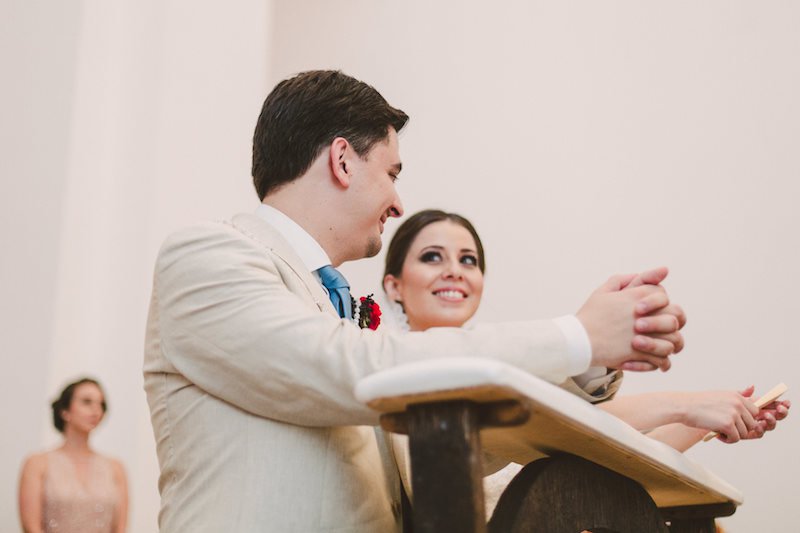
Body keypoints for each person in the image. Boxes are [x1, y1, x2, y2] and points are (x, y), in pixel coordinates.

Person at [143, 69, 687, 532]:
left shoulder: (337, 309)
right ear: (342, 160)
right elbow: (353, 369)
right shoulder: (208, 256)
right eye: (391, 172)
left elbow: (442, 438)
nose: (398, 201)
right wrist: (575, 335)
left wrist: (591, 360)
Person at [381, 209, 790, 517]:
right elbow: (553, 425)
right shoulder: (391, 367)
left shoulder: (500, 367)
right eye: (433, 257)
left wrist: (704, 420)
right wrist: (687, 404)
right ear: (393, 286)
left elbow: (606, 458)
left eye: (468, 260)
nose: (454, 271)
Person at [18, 378, 128, 533]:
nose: (96, 410)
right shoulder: (37, 464)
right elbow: (31, 527)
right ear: (65, 411)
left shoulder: (115, 468)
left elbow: (120, 529)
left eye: (101, 404)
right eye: (87, 402)